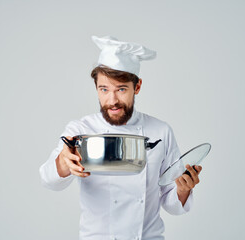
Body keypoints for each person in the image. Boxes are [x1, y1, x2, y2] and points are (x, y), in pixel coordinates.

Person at [39, 35, 202, 240]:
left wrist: (183, 189)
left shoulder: (161, 131)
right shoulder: (80, 129)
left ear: (138, 86)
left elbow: (172, 203)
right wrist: (63, 163)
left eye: (121, 89)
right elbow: (48, 180)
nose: (112, 100)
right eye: (104, 89)